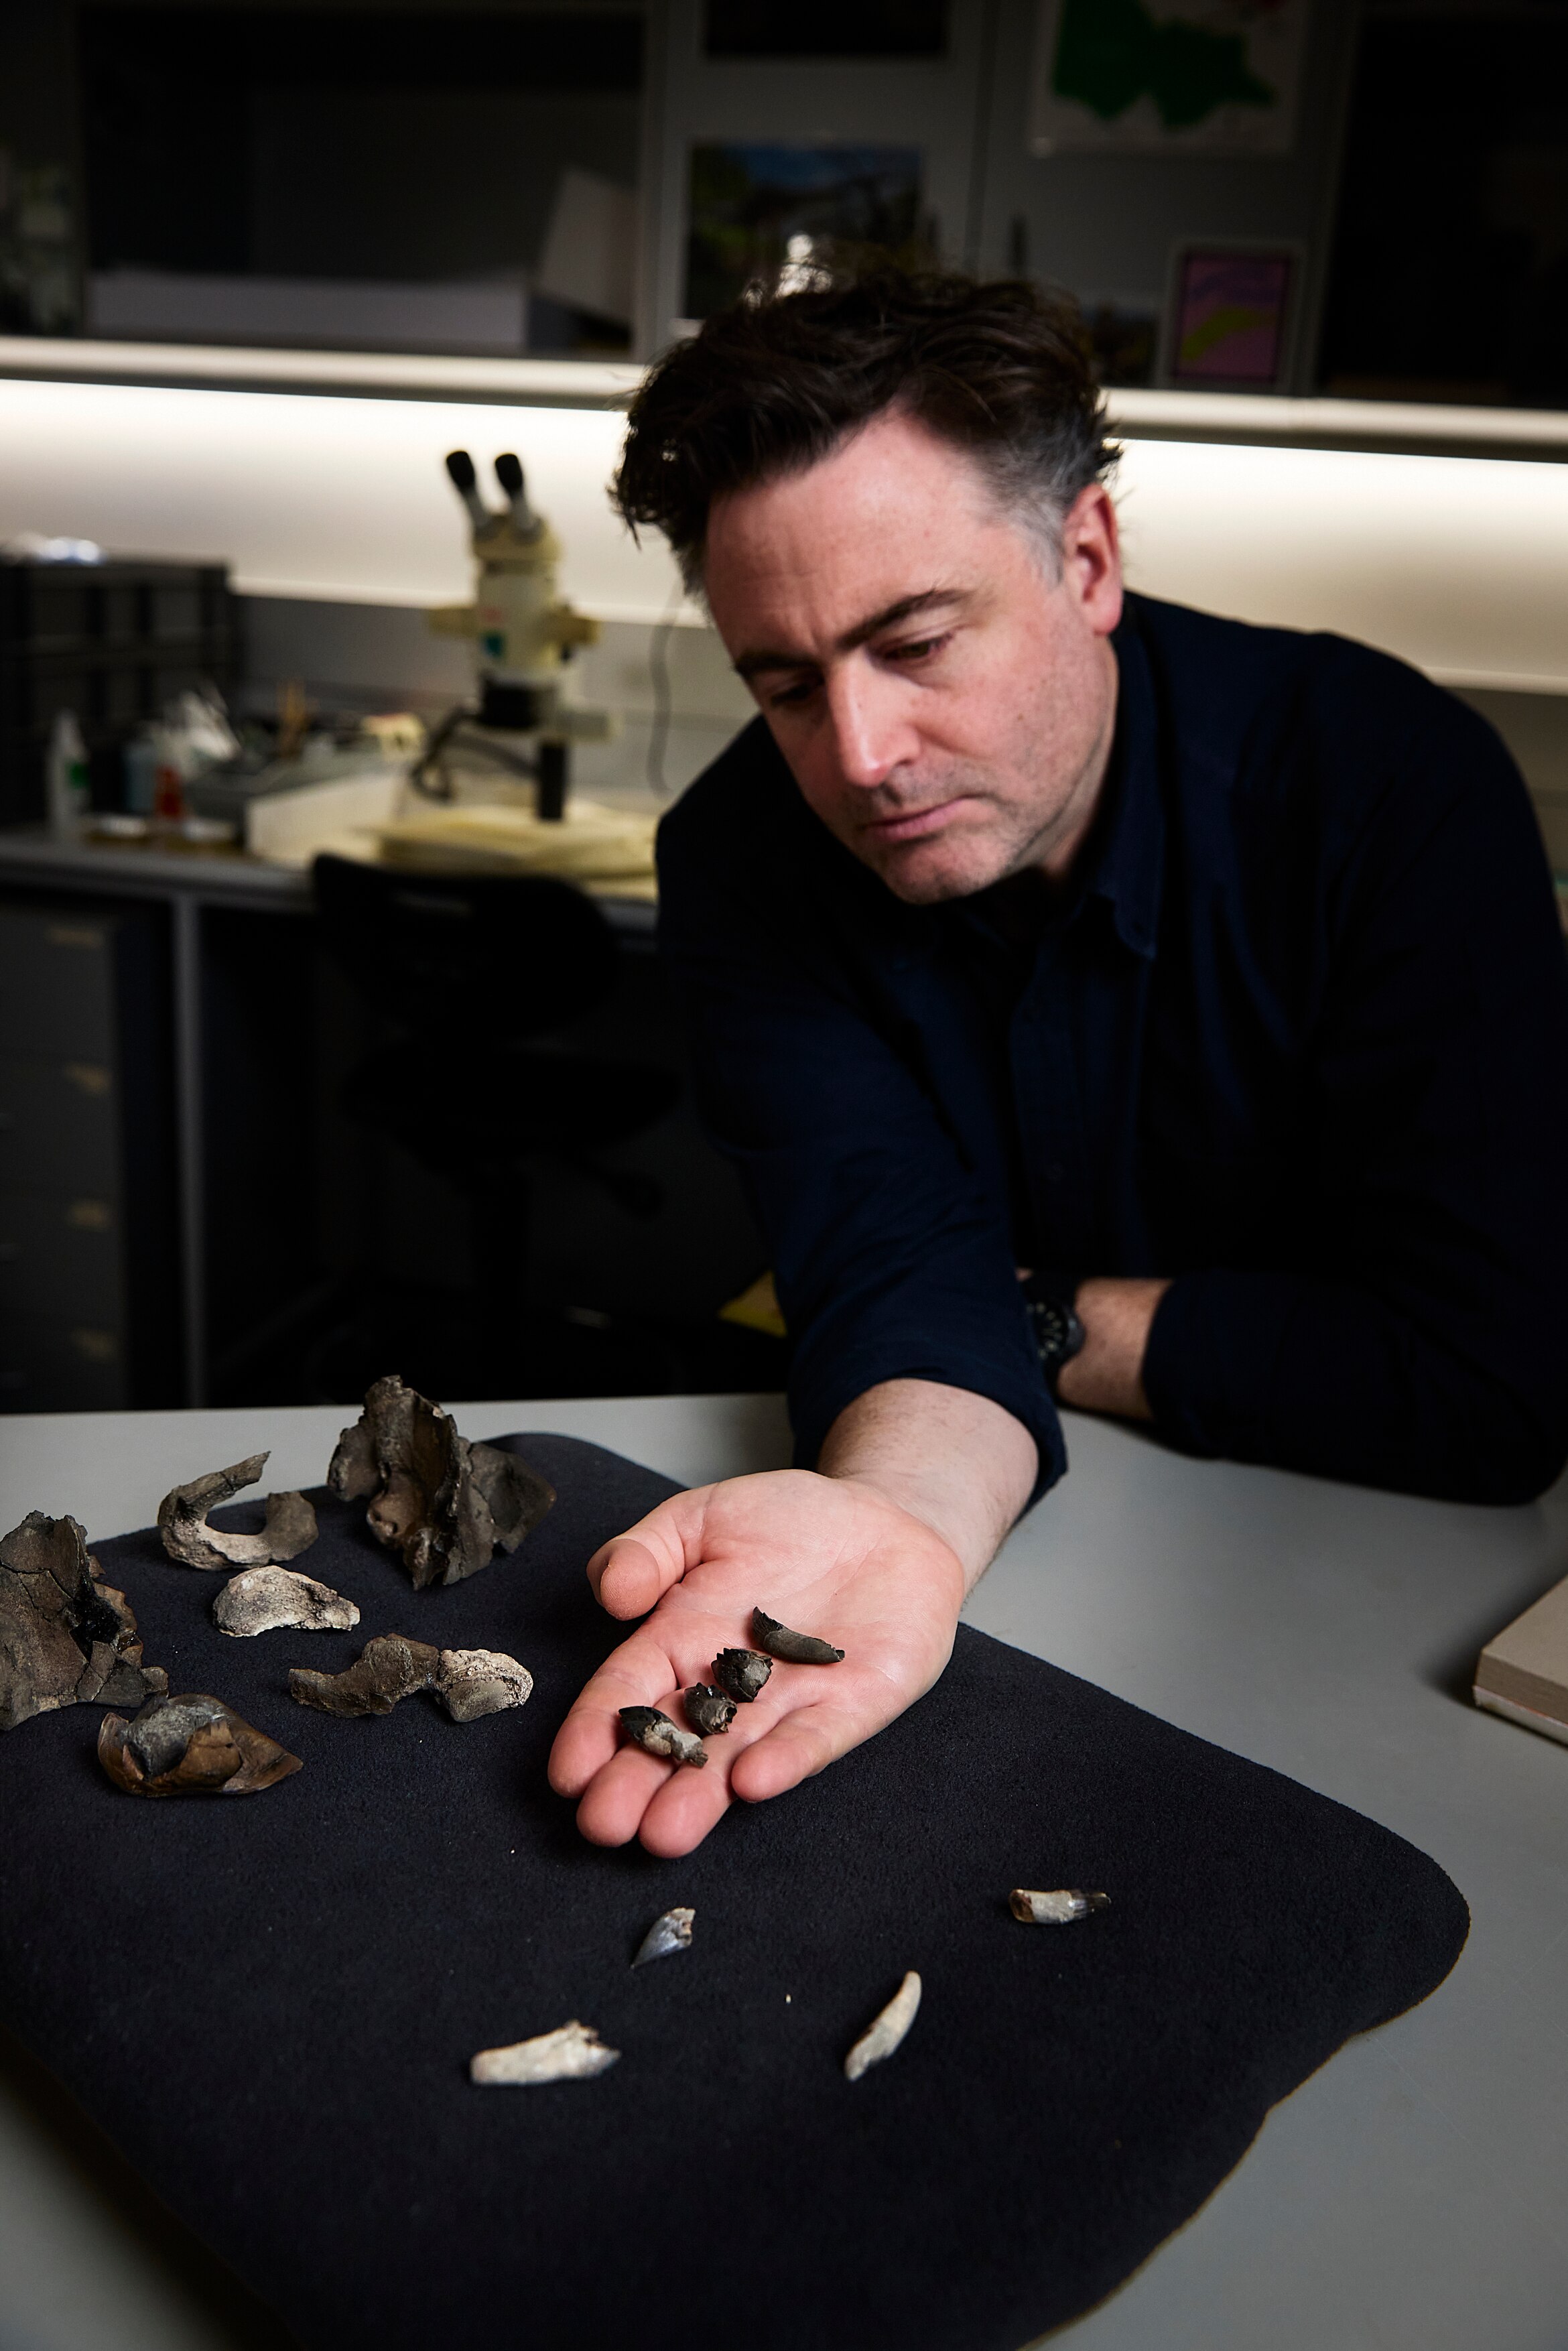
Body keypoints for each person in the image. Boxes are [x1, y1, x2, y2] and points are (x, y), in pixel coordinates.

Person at [548, 269, 1568, 1858]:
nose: (861, 757)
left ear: (1086, 558)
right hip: (1024, 1571)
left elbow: (1489, 1385)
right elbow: (887, 1246)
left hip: (1372, 1608)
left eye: (918, 641)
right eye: (787, 684)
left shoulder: (1390, 791)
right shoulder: (743, 847)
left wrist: (1032, 1313)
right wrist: (901, 1523)